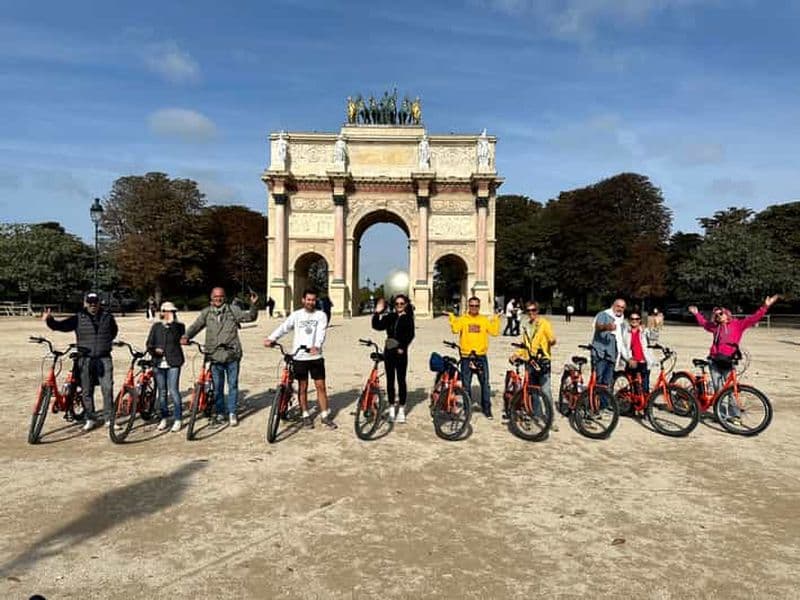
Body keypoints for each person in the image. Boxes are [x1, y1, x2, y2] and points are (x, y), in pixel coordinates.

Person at [688, 295, 779, 424]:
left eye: (720, 314)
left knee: (731, 390)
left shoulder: (738, 325)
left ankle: (735, 415)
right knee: (718, 390)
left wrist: (765, 306)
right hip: (714, 361)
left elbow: (754, 318)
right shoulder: (716, 327)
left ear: (727, 314)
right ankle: (720, 413)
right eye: (716, 315)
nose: (718, 316)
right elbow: (704, 324)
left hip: (728, 362)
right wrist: (697, 314)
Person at [181, 287, 258, 427]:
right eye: (216, 296)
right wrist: (186, 336)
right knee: (217, 387)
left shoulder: (232, 310)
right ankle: (220, 412)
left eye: (221, 296)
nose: (218, 299)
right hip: (214, 355)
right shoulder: (206, 312)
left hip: (232, 354)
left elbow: (250, 317)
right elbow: (196, 326)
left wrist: (253, 304)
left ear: (225, 297)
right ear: (211, 297)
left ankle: (232, 412)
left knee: (233, 385)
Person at [42, 292, 118, 431]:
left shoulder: (108, 317)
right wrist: (49, 320)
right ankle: (90, 418)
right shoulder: (78, 318)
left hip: (104, 358)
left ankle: (109, 419)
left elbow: (113, 332)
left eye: (95, 302)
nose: (93, 305)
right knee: (86, 390)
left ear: (99, 303)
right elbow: (61, 326)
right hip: (85, 359)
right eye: (90, 302)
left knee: (107, 389)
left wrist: (103, 344)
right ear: (85, 303)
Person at [264, 289, 337, 429]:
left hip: (315, 356)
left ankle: (324, 415)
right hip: (299, 357)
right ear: (303, 300)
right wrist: (271, 338)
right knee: (303, 387)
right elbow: (284, 328)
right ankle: (305, 414)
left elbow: (321, 332)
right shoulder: (296, 315)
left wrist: (316, 345)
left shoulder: (321, 315)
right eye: (308, 299)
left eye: (313, 300)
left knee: (321, 386)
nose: (311, 302)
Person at [446, 297, 501, 419]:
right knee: (466, 384)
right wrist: (452, 318)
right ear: (468, 306)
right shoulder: (463, 319)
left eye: (476, 306)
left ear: (479, 306)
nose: (474, 308)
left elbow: (494, 332)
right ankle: (467, 408)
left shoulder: (484, 320)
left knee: (485, 384)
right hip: (466, 356)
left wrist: (496, 319)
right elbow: (455, 330)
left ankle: (486, 408)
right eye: (472, 305)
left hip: (480, 356)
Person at [509, 301, 558, 430]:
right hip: (530, 361)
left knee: (546, 391)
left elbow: (551, 338)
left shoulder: (544, 323)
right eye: (528, 310)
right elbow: (525, 345)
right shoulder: (526, 326)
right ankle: (536, 414)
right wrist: (517, 354)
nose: (531, 313)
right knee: (533, 391)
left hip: (542, 361)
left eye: (533, 310)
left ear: (538, 311)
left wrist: (552, 341)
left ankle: (550, 419)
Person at [371, 294, 415, 423]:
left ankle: (401, 409)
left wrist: (403, 346)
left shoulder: (408, 319)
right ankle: (391, 408)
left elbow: (410, 335)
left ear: (406, 305)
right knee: (390, 381)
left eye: (402, 303)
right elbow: (377, 326)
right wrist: (377, 313)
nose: (399, 306)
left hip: (401, 352)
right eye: (397, 304)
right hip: (389, 351)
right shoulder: (390, 317)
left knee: (401, 380)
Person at [146, 301, 185, 432]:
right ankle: (164, 417)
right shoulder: (156, 327)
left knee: (173, 390)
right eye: (168, 311)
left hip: (173, 362)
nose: (170, 314)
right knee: (162, 392)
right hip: (158, 363)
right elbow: (149, 344)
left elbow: (178, 337)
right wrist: (154, 350)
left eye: (173, 312)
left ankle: (178, 418)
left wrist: (171, 324)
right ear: (162, 312)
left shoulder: (179, 326)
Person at [591, 298, 627, 387]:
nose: (620, 309)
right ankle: (594, 400)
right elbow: (597, 326)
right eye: (618, 306)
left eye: (622, 307)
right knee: (599, 381)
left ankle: (604, 400)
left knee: (607, 383)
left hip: (612, 355)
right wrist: (607, 327)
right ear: (613, 306)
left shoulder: (622, 321)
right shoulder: (604, 314)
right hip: (601, 354)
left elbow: (622, 340)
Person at [619, 311, 657, 394]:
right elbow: (622, 347)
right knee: (634, 386)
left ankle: (645, 404)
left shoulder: (644, 331)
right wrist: (628, 359)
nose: (634, 320)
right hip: (632, 361)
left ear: (640, 320)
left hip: (644, 360)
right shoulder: (625, 332)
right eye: (632, 319)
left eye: (636, 319)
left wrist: (655, 327)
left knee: (645, 387)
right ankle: (633, 404)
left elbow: (654, 339)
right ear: (629, 320)